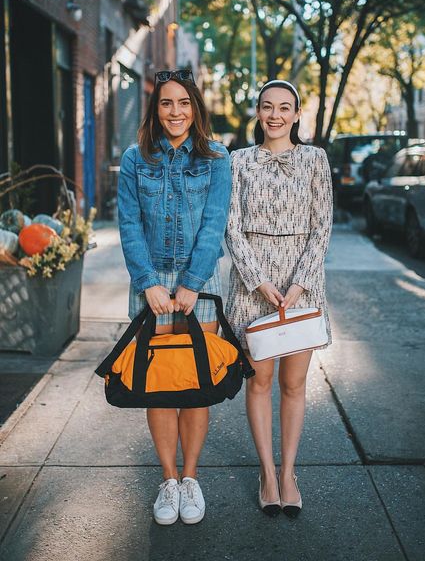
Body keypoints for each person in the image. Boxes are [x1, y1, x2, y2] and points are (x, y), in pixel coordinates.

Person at [118, 69, 231, 526]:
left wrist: (192, 283)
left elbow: (214, 224)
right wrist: (148, 283)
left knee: (194, 386)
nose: (175, 112)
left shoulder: (216, 157)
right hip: (149, 283)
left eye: (184, 103)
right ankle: (168, 480)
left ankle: (190, 478)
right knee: (159, 385)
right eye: (166, 103)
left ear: (195, 109)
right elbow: (128, 224)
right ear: (155, 109)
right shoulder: (134, 158)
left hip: (197, 281)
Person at [225, 80, 333, 518]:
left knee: (293, 384)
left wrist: (299, 283)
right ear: (257, 111)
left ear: (296, 113)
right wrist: (258, 281)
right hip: (254, 286)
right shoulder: (238, 161)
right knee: (260, 381)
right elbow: (230, 226)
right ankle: (267, 474)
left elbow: (322, 226)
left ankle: (289, 472)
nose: (275, 115)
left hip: (302, 285)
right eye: (267, 107)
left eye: (284, 108)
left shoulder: (315, 160)